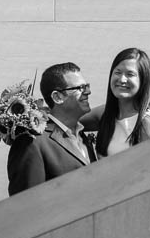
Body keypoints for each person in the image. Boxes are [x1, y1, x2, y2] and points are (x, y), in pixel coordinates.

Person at [7, 62, 97, 195]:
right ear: (57, 97)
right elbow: (25, 204)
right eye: (80, 88)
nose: (88, 92)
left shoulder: (85, 138)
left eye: (87, 86)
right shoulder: (32, 142)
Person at [88, 48, 150, 158]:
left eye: (130, 74)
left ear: (143, 80)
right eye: (117, 72)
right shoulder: (104, 113)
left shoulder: (147, 121)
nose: (122, 79)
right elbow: (67, 121)